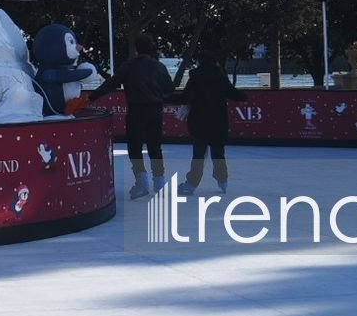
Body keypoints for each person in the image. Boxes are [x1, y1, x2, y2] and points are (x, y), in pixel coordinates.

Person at [86, 34, 174, 199]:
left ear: (136, 49)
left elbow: (111, 83)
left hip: (136, 111)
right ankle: (159, 182)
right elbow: (168, 89)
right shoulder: (159, 67)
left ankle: (141, 182)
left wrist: (92, 97)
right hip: (155, 111)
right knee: (155, 147)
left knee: (135, 148)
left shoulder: (129, 66)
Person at [176, 49, 245, 197]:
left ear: (200, 62)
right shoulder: (220, 76)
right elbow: (232, 92)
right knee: (218, 153)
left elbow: (185, 96)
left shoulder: (195, 76)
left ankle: (191, 184)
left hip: (199, 121)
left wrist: (165, 97)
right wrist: (244, 96)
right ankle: (222, 180)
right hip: (218, 121)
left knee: (198, 155)